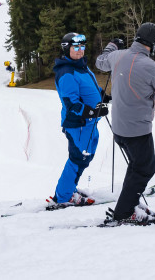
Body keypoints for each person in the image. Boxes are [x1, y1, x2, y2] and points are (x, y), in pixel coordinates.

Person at [96, 22, 155, 226]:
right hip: (138, 130)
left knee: (136, 168)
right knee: (144, 170)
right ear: (154, 44)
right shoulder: (150, 66)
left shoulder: (117, 56)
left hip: (119, 129)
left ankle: (130, 204)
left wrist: (112, 46)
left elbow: (100, 62)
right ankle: (124, 212)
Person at [48, 33, 107, 209]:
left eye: (83, 47)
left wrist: (103, 96)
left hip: (89, 123)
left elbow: (91, 87)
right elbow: (71, 103)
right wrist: (92, 111)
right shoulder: (66, 72)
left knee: (84, 158)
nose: (80, 51)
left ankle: (69, 190)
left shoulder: (81, 67)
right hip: (78, 125)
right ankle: (63, 197)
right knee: (77, 159)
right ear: (67, 49)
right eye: (76, 48)